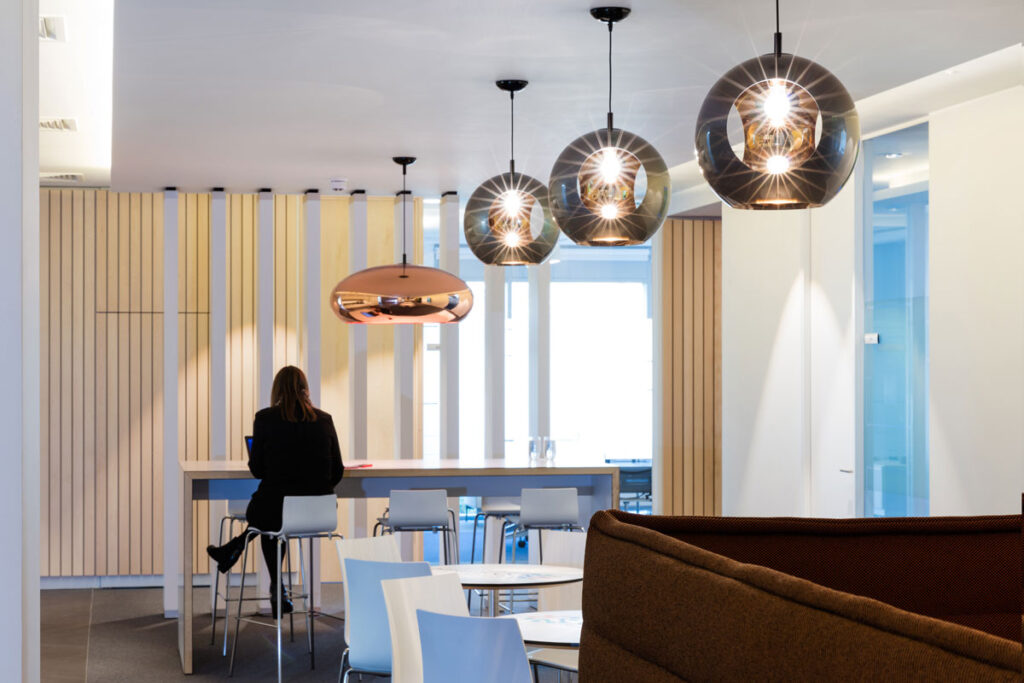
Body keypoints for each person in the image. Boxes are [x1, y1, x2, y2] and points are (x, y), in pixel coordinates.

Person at [207, 365, 344, 616]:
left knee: (267, 517)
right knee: (272, 516)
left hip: (274, 511)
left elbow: (258, 470)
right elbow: (338, 471)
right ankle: (261, 574)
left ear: (277, 390)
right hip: (319, 513)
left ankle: (247, 559)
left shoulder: (265, 419)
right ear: (305, 389)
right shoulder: (324, 420)